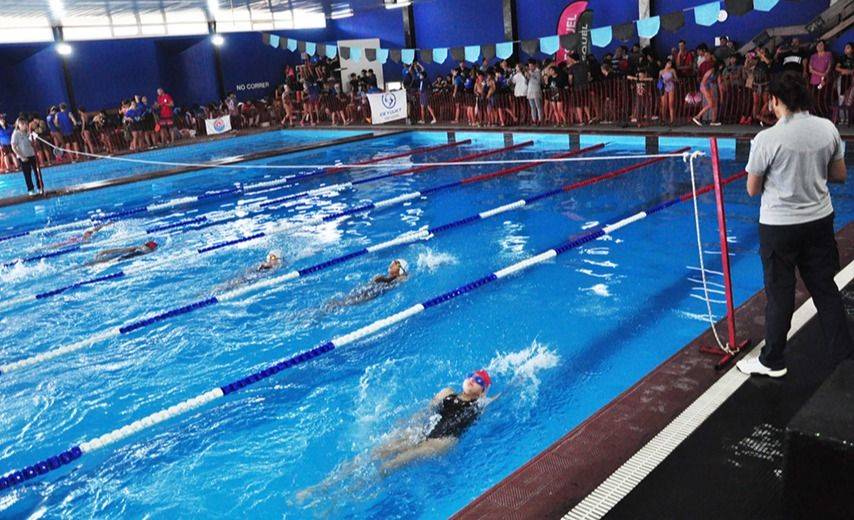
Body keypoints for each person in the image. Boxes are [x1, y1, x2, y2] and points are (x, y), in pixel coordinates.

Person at [737, 71, 853, 378]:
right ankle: (843, 354)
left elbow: (752, 189)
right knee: (825, 288)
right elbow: (839, 175)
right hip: (819, 221)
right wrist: (809, 173)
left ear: (775, 100)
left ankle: (773, 360)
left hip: (780, 227)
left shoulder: (767, 139)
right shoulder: (827, 129)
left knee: (780, 294)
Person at [296, 369, 493, 502]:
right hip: (424, 432)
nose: (472, 380)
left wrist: (491, 393)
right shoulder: (446, 392)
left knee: (391, 464)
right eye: (471, 375)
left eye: (479, 381)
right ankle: (319, 488)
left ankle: (339, 497)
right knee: (376, 453)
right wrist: (407, 425)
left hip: (442, 442)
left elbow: (500, 395)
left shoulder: (480, 404)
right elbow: (425, 413)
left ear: (482, 391)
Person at [324, 259, 409, 310]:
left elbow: (404, 278)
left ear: (400, 269)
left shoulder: (398, 279)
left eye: (396, 263)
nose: (392, 263)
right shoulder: (387, 277)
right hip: (368, 290)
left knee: (345, 303)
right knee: (346, 299)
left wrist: (383, 279)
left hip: (372, 294)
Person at [11, 117, 42, 195]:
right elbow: (13, 147)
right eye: (22, 124)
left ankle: (40, 187)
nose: (24, 125)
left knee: (37, 172)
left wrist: (34, 140)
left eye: (25, 123)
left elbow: (33, 144)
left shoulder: (28, 133)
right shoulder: (16, 134)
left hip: (32, 154)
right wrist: (21, 156)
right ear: (18, 125)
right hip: (23, 157)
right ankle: (31, 190)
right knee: (27, 174)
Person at [87, 241, 158, 266]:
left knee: (98, 263)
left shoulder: (139, 249)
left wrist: (105, 251)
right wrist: (105, 251)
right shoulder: (140, 249)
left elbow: (121, 250)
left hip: (121, 258)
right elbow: (121, 250)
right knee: (99, 262)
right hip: (121, 258)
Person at [526, 59, 543, 125]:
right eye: (529, 66)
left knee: (538, 106)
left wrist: (531, 75)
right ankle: (534, 120)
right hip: (530, 90)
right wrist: (527, 76)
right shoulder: (529, 72)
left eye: (531, 66)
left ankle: (540, 120)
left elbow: (538, 81)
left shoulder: (538, 71)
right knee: (532, 107)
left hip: (536, 90)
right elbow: (527, 82)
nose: (530, 67)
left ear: (535, 65)